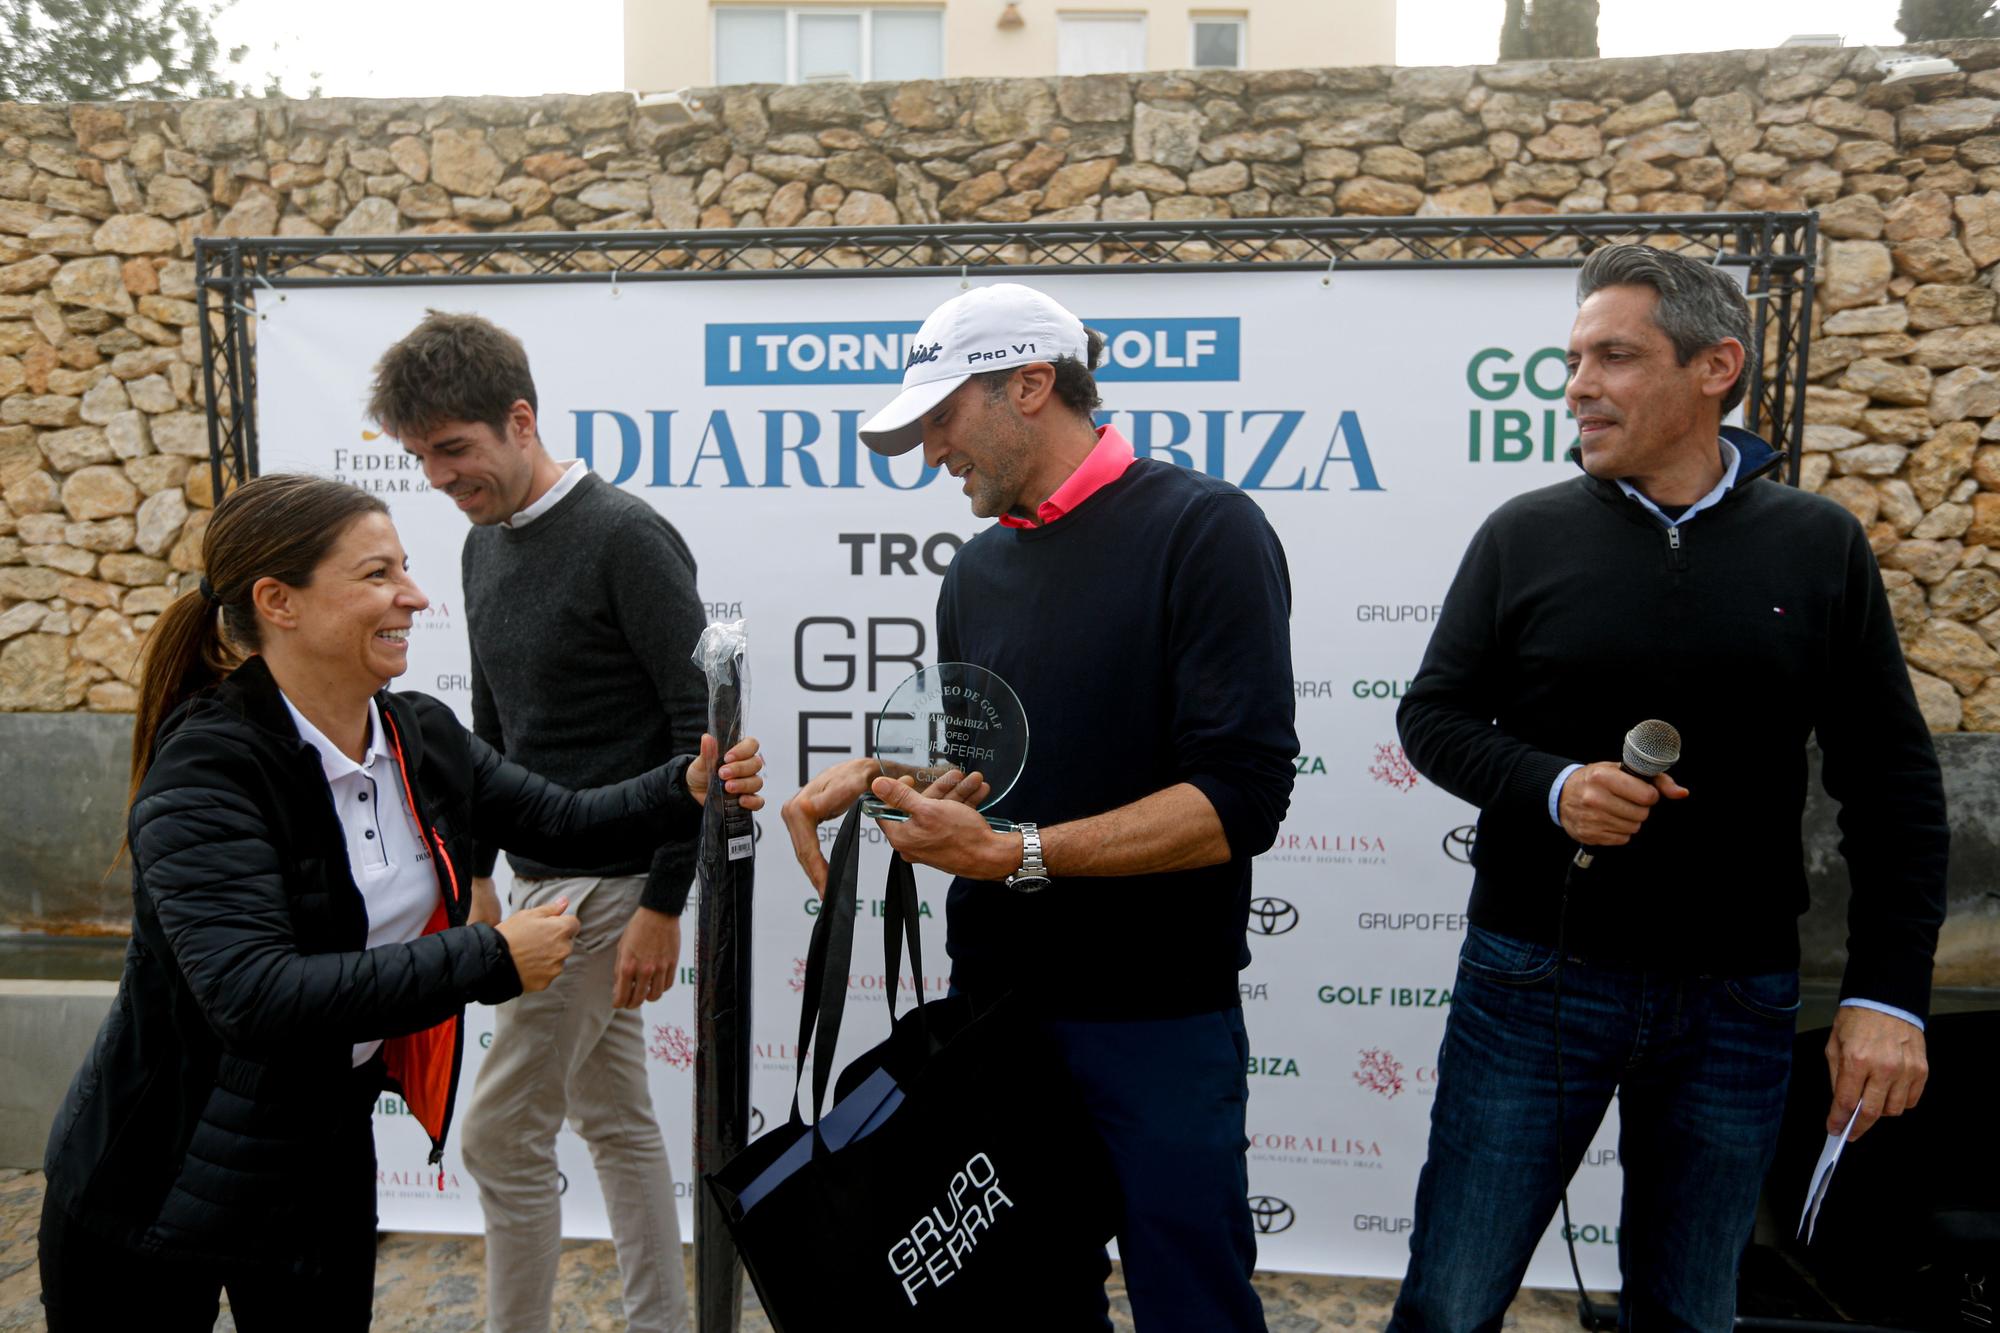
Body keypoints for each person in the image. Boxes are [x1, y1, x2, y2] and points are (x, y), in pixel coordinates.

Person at [37, 473, 764, 1332]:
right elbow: (254, 995)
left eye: (407, 569)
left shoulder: (415, 734)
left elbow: (563, 819)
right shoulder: (208, 770)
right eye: (378, 574)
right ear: (280, 601)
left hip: (317, 1167)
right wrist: (491, 958)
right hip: (153, 1179)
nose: (414, 597)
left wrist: (682, 787)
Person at [1389, 244, 1948, 1332]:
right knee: (1449, 1306)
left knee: (1691, 1315)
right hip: (1529, 984)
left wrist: (1885, 996)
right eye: (1570, 360)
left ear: (1714, 367)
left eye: (1613, 356)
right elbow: (1432, 718)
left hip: (1736, 999)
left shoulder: (1817, 544)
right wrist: (1551, 787)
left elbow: (1891, 783)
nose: (1577, 386)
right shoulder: (1522, 533)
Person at [780, 283, 1298, 1332]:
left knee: (1189, 1304)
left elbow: (1238, 798)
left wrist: (1012, 855)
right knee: (1020, 1303)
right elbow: (987, 770)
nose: (932, 450)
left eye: (942, 417)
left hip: (1154, 1014)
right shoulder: (976, 566)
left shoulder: (1204, 529)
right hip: (996, 1013)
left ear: (1029, 385)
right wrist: (884, 775)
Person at [369, 311, 711, 1333]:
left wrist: (662, 901)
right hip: (529, 884)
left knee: (498, 1138)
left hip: (605, 893)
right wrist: (474, 874)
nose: (436, 475)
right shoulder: (481, 542)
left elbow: (703, 734)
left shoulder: (628, 538)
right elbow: (485, 728)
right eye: (422, 455)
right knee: (614, 1119)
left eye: (454, 449)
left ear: (521, 420)